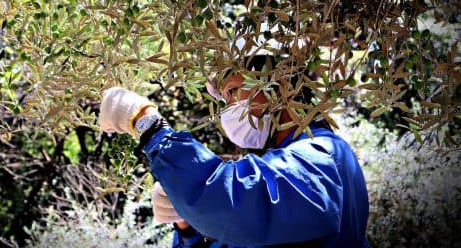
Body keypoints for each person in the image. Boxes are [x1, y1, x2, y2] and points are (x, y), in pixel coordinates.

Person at [99, 54, 370, 248]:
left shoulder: (322, 155)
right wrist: (188, 226)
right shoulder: (298, 158)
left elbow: (236, 200)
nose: (227, 110)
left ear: (281, 82)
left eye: (232, 91)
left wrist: (147, 124)